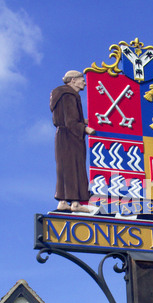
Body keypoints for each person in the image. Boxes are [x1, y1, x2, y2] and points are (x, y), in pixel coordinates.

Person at [50, 70, 95, 212]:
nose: (85, 82)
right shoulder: (68, 95)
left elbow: (69, 117)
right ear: (73, 80)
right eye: (82, 79)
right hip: (70, 136)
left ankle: (65, 202)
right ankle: (75, 203)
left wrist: (84, 121)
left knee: (67, 168)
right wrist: (85, 128)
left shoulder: (63, 95)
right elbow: (70, 120)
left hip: (64, 136)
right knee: (73, 168)